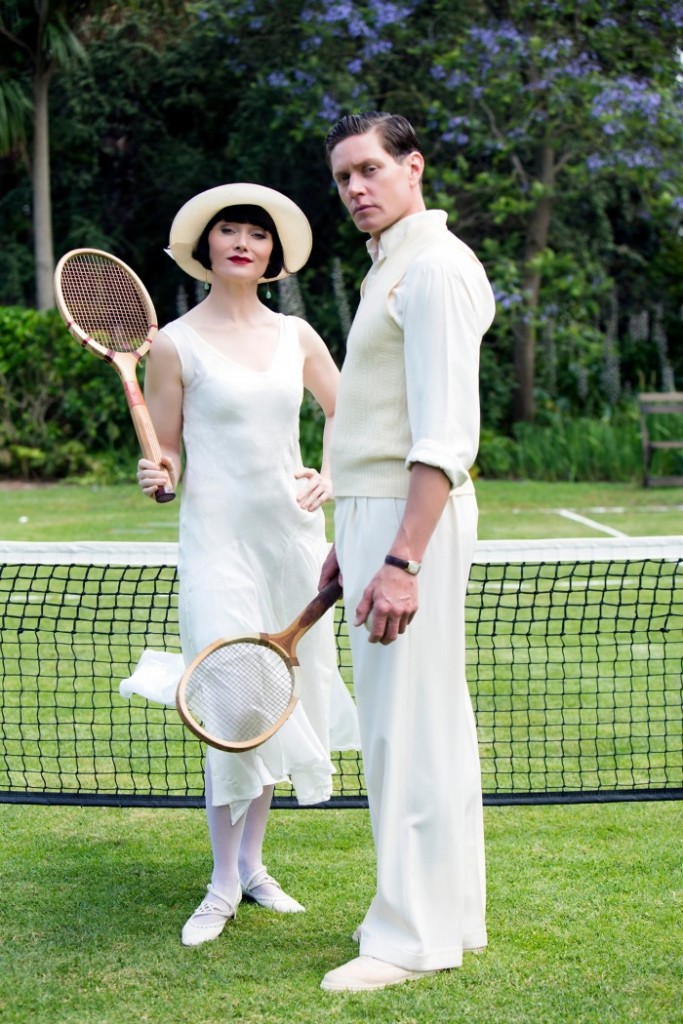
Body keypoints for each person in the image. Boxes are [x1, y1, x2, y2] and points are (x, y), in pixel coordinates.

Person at [129, 182, 359, 947]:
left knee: (272, 705)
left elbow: (349, 414)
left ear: (271, 256)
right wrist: (158, 476)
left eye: (255, 234)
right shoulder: (173, 343)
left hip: (291, 543)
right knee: (228, 706)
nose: (242, 242)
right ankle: (221, 883)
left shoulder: (297, 336)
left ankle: (253, 869)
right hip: (216, 547)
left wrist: (331, 471)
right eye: (228, 230)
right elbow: (166, 454)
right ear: (205, 249)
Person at [318, 112, 496, 992]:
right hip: (377, 519)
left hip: (409, 522)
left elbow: (443, 433)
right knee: (424, 725)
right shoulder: (390, 263)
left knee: (404, 733)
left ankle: (408, 938)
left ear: (412, 167)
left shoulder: (434, 269)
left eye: (368, 170)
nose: (354, 188)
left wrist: (400, 558)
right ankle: (449, 915)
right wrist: (352, 547)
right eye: (343, 176)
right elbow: (378, 424)